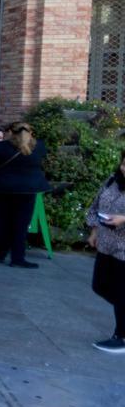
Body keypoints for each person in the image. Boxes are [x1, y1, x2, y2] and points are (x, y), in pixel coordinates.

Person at [0, 121, 50, 268]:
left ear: (10, 132)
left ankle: (0, 253)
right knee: (21, 225)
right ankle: (18, 258)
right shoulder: (39, 147)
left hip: (2, 188)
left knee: (3, 222)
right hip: (28, 190)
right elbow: (42, 165)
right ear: (31, 133)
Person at [86, 149, 125, 353]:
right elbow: (96, 205)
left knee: (121, 293)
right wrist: (94, 230)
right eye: (124, 164)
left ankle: (121, 337)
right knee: (100, 285)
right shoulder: (113, 180)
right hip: (106, 242)